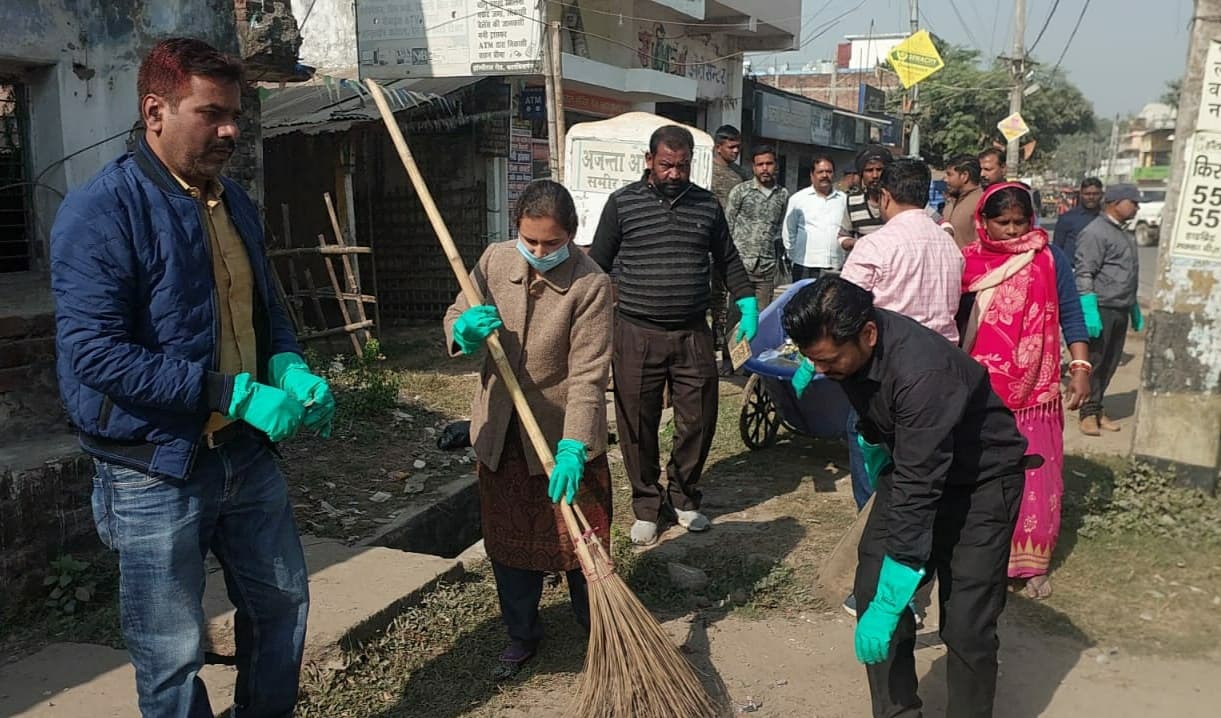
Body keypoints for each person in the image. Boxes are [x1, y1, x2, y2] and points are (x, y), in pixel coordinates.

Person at [50, 38, 327, 716]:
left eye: (235, 114)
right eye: (211, 114)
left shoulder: (233, 202)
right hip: (153, 466)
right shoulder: (102, 211)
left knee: (282, 602)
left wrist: (284, 362)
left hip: (243, 451)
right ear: (155, 111)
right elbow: (95, 353)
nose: (231, 130)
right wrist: (226, 391)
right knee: (171, 649)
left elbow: (262, 310)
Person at [781, 277, 1029, 718]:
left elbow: (919, 487)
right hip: (915, 464)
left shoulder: (923, 374)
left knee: (966, 624)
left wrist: (899, 593)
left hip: (980, 484)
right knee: (872, 590)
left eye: (828, 360)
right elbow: (909, 467)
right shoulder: (850, 341)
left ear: (868, 335)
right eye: (811, 359)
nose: (820, 370)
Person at [442, 179, 613, 677]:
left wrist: (574, 446)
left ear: (572, 237)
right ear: (516, 229)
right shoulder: (494, 261)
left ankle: (600, 630)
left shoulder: (591, 284)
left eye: (552, 243)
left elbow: (588, 375)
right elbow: (458, 310)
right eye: (530, 241)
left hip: (562, 432)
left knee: (584, 543)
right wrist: (461, 330)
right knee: (509, 546)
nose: (539, 252)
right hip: (502, 432)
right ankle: (521, 634)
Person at [590, 125, 757, 546]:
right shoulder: (622, 204)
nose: (673, 174)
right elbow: (596, 265)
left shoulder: (706, 206)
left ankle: (683, 495)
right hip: (636, 331)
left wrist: (748, 301)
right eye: (665, 165)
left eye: (681, 166)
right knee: (637, 422)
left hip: (691, 333)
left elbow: (728, 259)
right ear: (649, 161)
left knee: (699, 418)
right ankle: (647, 503)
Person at [961, 183, 1092, 601]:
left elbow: (1070, 311)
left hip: (1036, 392)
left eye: (1021, 222)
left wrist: (1081, 366)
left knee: (1036, 476)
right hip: (980, 391)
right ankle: (986, 559)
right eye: (1004, 223)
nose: (1014, 231)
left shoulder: (1050, 259)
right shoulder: (967, 263)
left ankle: (1032, 564)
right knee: (981, 478)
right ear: (983, 221)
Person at [1075, 184, 1143, 436]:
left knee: (1111, 363)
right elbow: (1084, 272)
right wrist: (1089, 309)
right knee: (1095, 361)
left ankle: (1097, 406)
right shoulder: (1095, 232)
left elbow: (1129, 273)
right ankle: (1087, 414)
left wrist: (1133, 305)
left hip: (1120, 308)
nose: (1136, 207)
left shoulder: (1126, 233)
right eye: (1133, 202)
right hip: (1101, 307)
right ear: (1115, 202)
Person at [709, 125, 753, 372]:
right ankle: (714, 347)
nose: (736, 151)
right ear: (719, 147)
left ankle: (729, 351)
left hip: (730, 246)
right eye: (731, 147)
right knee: (712, 302)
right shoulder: (706, 173)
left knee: (730, 302)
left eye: (738, 147)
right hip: (706, 245)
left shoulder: (741, 175)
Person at [726, 145, 790, 311]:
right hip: (740, 268)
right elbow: (728, 225)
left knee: (761, 319)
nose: (764, 168)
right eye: (760, 164)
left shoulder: (782, 195)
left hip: (766, 270)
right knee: (736, 318)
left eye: (769, 163)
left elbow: (778, 227)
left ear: (775, 165)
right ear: (753, 167)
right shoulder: (741, 191)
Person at [782, 155, 847, 281]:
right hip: (805, 266)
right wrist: (794, 256)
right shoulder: (798, 199)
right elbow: (789, 231)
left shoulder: (843, 200)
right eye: (820, 172)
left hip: (835, 266)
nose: (824, 175)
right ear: (812, 175)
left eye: (828, 171)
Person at [839, 146, 892, 253]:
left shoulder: (901, 199)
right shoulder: (853, 201)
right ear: (861, 174)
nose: (875, 175)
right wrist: (861, 243)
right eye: (869, 170)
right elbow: (843, 237)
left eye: (879, 170)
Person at [1053, 177, 1104, 264]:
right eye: (1087, 194)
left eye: (1095, 194)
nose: (1091, 197)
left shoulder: (1106, 217)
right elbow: (1057, 248)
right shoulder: (1067, 218)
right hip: (1073, 270)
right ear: (1081, 194)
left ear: (1102, 194)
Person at [942, 154, 984, 248]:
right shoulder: (952, 201)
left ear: (964, 176)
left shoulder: (981, 203)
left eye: (949, 174)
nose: (945, 179)